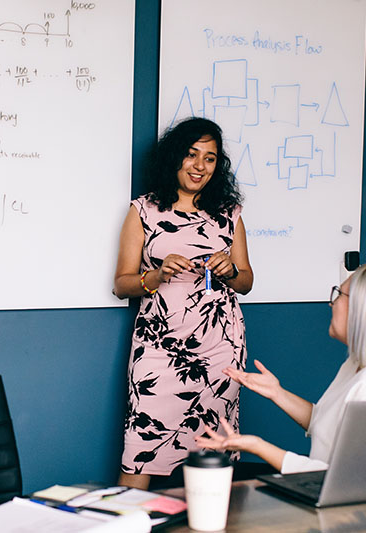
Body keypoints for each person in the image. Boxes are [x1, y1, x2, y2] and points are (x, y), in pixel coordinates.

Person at [114, 117, 254, 489]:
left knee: (214, 451)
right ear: (174, 157)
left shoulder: (229, 213)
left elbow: (247, 282)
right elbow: (121, 284)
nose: (199, 166)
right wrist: (156, 276)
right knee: (141, 450)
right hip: (159, 348)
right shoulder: (143, 211)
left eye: (210, 158)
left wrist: (230, 270)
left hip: (220, 349)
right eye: (191, 155)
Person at [196, 262, 366, 473]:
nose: (331, 304)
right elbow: (326, 425)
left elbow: (340, 479)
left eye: (338, 295)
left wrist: (257, 446)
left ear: (362, 309)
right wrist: (277, 393)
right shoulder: (359, 364)